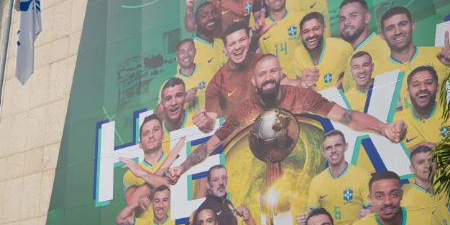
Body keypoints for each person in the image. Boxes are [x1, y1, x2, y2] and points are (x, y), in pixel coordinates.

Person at [166, 55, 407, 182]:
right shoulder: (244, 111)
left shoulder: (302, 96)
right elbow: (210, 146)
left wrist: (384, 128)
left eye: (273, 71)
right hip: (266, 178)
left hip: (309, 170)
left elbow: (346, 116)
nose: (268, 77)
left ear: (281, 74)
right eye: (262, 74)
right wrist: (182, 167)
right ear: (254, 81)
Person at [196, 22, 299, 129]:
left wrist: (304, 82)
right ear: (225, 50)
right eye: (232, 44)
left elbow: (289, 85)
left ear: (249, 40)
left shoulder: (262, 62)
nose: (238, 47)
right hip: (241, 137)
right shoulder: (217, 83)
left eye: (242, 40)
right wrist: (203, 120)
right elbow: (212, 121)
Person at [393, 66, 450, 203]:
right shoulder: (396, 121)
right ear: (408, 92)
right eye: (416, 85)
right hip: (414, 203)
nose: (422, 88)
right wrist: (416, 149)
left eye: (428, 83)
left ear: (437, 87)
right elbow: (390, 160)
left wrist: (439, 147)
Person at [297, 130, 371, 225]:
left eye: (337, 145)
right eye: (328, 148)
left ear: (345, 147)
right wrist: (305, 219)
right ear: (323, 153)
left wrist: (372, 212)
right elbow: (313, 215)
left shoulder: (362, 176)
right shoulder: (317, 181)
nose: (333, 151)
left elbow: (373, 210)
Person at [376, 6, 450, 107]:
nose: (398, 32)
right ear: (382, 35)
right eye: (390, 28)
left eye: (402, 24)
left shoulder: (440, 55)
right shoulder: (377, 74)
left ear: (413, 25)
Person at [344, 171, 450, 225]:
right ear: (370, 199)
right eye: (379, 196)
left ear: (401, 194)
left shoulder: (427, 222)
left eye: (394, 194)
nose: (387, 202)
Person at [120, 115, 185, 219]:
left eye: (156, 130)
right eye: (146, 133)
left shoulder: (178, 161)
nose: (151, 135)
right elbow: (132, 202)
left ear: (163, 135)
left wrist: (143, 174)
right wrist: (164, 166)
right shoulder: (131, 173)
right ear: (140, 144)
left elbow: (179, 190)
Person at [192, 165, 262, 225]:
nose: (221, 183)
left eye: (224, 178)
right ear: (208, 185)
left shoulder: (228, 203)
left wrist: (248, 220)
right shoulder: (206, 211)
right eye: (215, 180)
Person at [401, 145, 450, 225]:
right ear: (412, 169)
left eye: (431, 161)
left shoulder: (444, 191)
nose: (427, 165)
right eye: (421, 162)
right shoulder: (406, 200)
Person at [337, 0, 389, 93]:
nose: (346, 22)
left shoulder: (383, 47)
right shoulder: (352, 56)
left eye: (353, 16)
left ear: (367, 18)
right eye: (342, 19)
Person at [257, 0, 305, 79]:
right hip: (276, 84)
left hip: (301, 80)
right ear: (266, 1)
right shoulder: (260, 27)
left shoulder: (301, 18)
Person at [293, 12, 352, 91]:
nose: (311, 35)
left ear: (324, 28)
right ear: (300, 36)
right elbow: (302, 84)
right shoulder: (298, 53)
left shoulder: (342, 47)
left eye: (316, 29)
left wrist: (337, 87)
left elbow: (354, 73)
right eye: (305, 31)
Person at [116, 185, 188, 225]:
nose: (161, 205)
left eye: (165, 200)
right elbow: (120, 219)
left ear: (170, 202)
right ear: (152, 203)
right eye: (157, 201)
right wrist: (137, 203)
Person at [158, 39, 215, 116]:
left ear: (195, 51)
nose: (186, 54)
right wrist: (183, 99)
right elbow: (159, 114)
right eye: (182, 52)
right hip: (186, 128)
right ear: (177, 58)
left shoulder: (210, 71)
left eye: (190, 49)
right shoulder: (168, 85)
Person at [190, 2, 229, 74]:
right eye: (204, 15)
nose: (211, 17)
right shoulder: (190, 50)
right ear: (196, 24)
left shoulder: (221, 43)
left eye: (214, 13)